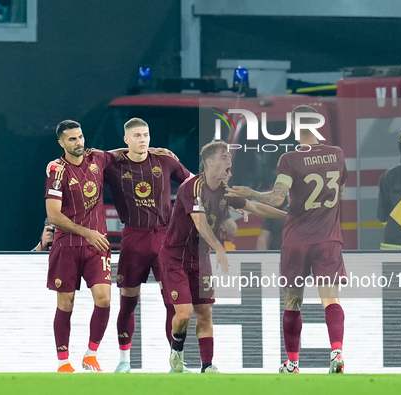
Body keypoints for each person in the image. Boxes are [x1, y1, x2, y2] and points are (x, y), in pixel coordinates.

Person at [226, 105, 348, 374]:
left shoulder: (289, 159)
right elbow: (339, 189)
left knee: (293, 301)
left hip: (297, 240)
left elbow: (277, 198)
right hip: (328, 239)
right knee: (331, 299)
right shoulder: (337, 155)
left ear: (294, 126)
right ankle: (336, 352)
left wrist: (250, 193)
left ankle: (292, 363)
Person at [161, 140, 286, 373]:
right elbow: (199, 222)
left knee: (205, 312)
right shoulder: (192, 187)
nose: (230, 160)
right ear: (209, 162)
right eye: (224, 156)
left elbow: (256, 208)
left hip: (200, 258)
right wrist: (219, 247)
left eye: (229, 156)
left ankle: (207, 365)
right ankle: (176, 350)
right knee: (184, 314)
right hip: (175, 258)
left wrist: (290, 216)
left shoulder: (224, 191)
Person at [103, 118, 192, 373]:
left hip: (166, 238)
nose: (143, 139)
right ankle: (124, 362)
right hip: (134, 237)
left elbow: (191, 183)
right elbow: (91, 162)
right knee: (128, 302)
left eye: (146, 134)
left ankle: (176, 361)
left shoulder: (165, 161)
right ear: (126, 140)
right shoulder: (114, 165)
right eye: (137, 136)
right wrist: (114, 153)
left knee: (171, 303)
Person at [45, 120, 114, 373]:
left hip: (97, 246)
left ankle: (91, 355)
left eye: (81, 137)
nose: (79, 143)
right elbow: (53, 215)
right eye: (72, 139)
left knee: (104, 299)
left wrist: (155, 152)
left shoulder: (97, 158)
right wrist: (87, 232)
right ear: (62, 143)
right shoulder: (57, 171)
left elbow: (121, 154)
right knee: (66, 303)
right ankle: (64, 363)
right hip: (68, 245)